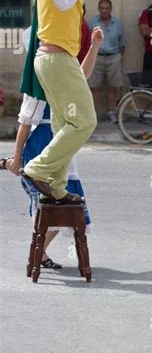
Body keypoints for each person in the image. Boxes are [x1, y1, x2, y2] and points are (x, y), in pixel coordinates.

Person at [19, 0, 115, 203]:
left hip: (48, 60)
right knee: (85, 121)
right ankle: (38, 168)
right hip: (58, 61)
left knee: (64, 124)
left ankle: (57, 186)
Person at [3, 26, 103, 267]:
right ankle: (39, 252)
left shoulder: (62, 75)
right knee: (53, 205)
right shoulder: (36, 84)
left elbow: (82, 75)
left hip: (62, 143)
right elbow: (25, 123)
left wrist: (95, 46)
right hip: (42, 146)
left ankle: (39, 251)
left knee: (65, 203)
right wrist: (17, 157)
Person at [88, 0, 126, 124]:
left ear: (110, 9)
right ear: (99, 9)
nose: (104, 11)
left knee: (112, 88)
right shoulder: (92, 22)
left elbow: (122, 42)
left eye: (107, 8)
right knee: (93, 87)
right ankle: (93, 114)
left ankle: (112, 113)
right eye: (102, 8)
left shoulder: (117, 23)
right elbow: (87, 40)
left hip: (113, 56)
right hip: (97, 57)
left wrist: (119, 56)